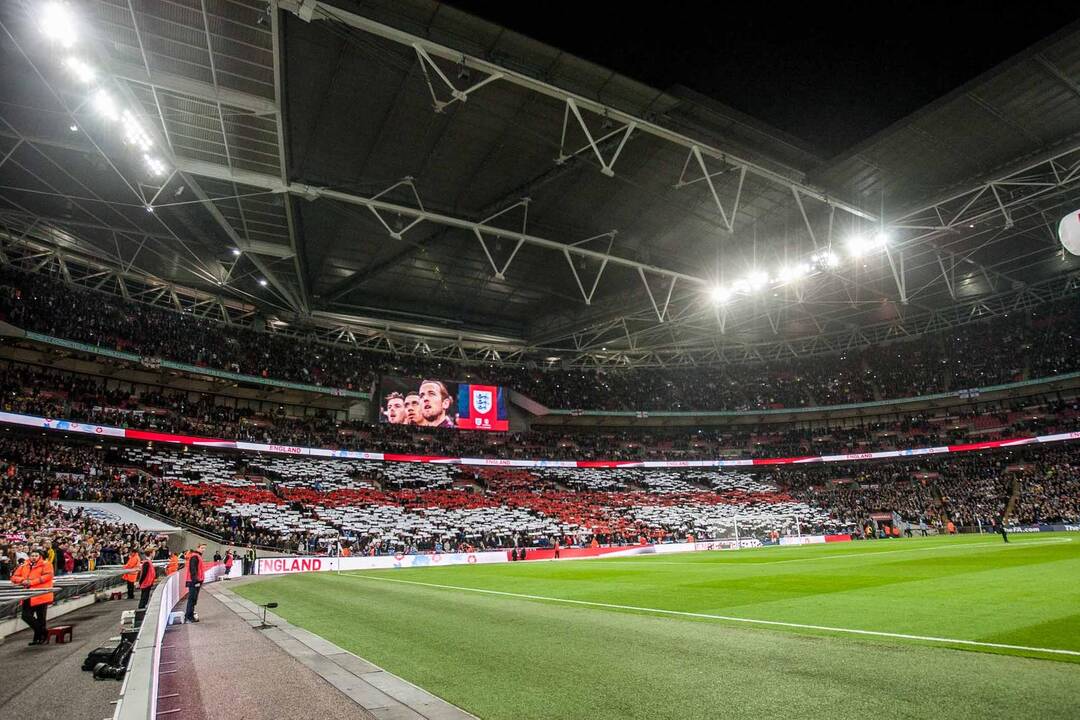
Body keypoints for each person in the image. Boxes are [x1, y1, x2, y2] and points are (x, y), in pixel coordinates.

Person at [11, 548, 54, 645]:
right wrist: (23, 580)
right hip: (28, 595)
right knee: (25, 616)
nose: (33, 557)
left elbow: (47, 576)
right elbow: (14, 577)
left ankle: (39, 638)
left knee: (41, 617)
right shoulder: (24, 565)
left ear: (40, 557)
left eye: (36, 556)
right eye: (32, 556)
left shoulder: (46, 564)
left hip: (41, 594)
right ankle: (44, 632)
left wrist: (31, 582)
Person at [184, 543, 206, 623]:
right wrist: (196, 580)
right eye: (202, 548)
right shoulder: (195, 556)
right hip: (194, 581)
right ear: (198, 547)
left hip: (196, 581)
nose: (203, 550)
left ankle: (190, 615)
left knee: (193, 599)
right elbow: (193, 569)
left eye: (204, 548)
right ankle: (188, 617)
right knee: (192, 599)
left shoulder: (196, 556)